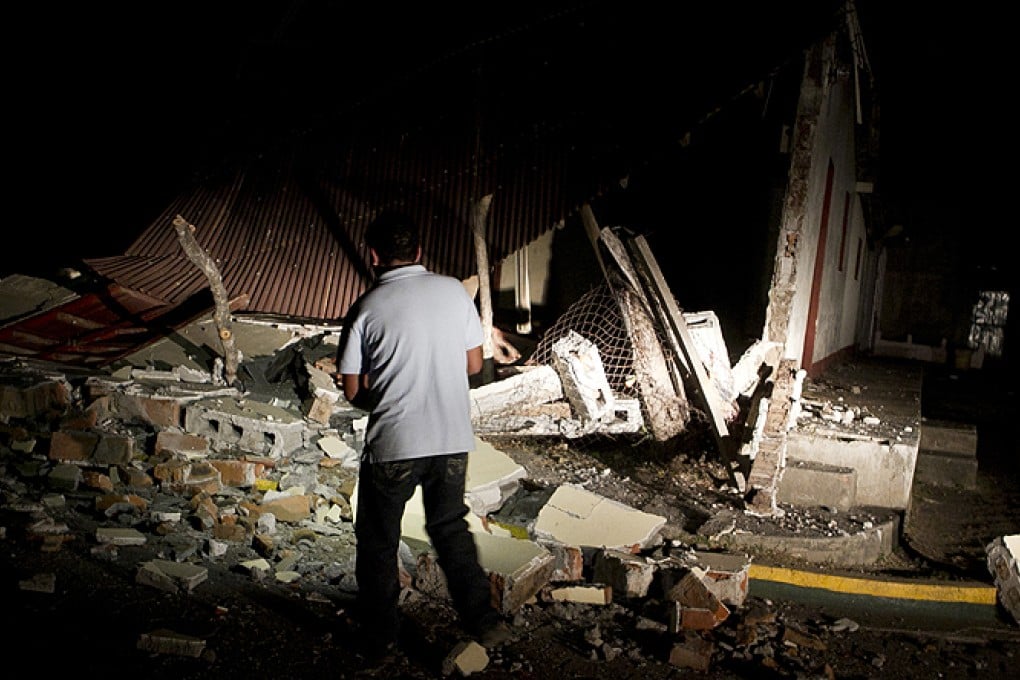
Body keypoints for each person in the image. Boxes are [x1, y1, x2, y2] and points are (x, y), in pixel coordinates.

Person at [335, 210, 512, 660]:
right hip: (451, 440)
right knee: (450, 528)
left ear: (373, 256)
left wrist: (387, 382)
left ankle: (380, 640)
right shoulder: (453, 292)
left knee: (378, 541)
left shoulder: (366, 309)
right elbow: (474, 366)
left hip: (394, 443)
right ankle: (485, 622)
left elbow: (354, 390)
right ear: (418, 252)